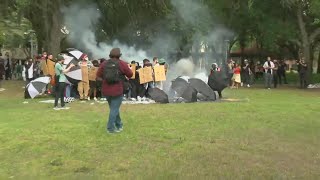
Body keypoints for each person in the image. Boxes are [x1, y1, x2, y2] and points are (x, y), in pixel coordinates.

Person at [96, 48, 133, 133]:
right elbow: (130, 74)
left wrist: (105, 80)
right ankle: (110, 128)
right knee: (114, 109)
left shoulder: (104, 64)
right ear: (119, 55)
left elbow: (98, 75)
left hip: (106, 90)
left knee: (114, 108)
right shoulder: (122, 64)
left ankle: (119, 125)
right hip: (117, 90)